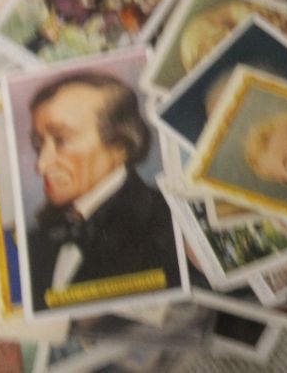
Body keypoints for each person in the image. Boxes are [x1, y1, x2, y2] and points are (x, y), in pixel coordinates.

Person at [25, 72, 179, 311]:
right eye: (39, 144)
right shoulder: (38, 239)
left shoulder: (167, 224)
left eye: (62, 140)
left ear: (120, 145)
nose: (41, 165)